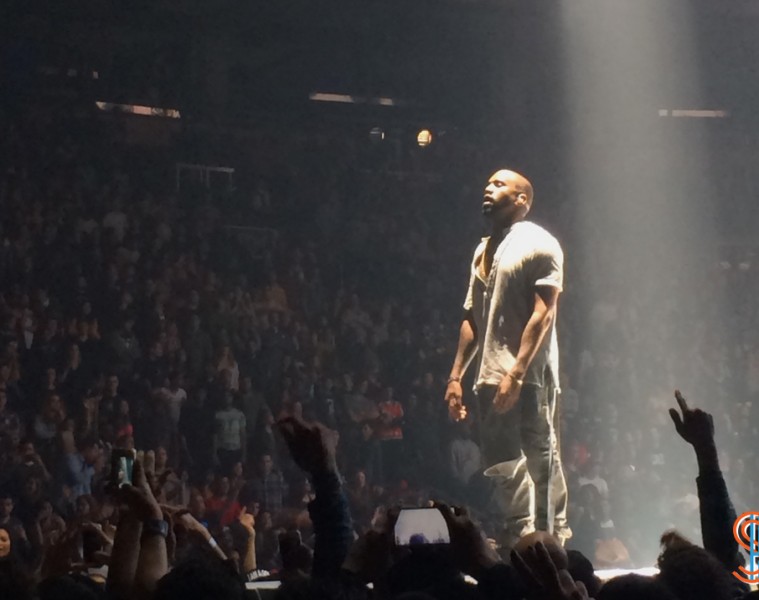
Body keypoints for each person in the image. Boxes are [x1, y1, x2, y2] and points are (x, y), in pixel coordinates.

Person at [445, 168, 570, 552]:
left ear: (522, 199)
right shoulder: (482, 251)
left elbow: (544, 313)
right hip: (488, 374)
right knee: (501, 462)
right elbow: (472, 317)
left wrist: (516, 373)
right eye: (488, 183)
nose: (489, 188)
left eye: (500, 184)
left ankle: (550, 538)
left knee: (540, 455)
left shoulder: (540, 243)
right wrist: (455, 377)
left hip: (528, 374)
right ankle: (522, 534)